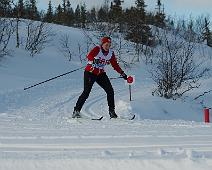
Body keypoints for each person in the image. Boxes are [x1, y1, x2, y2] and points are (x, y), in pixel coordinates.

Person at [72, 37, 128, 119]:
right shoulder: (97, 49)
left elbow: (115, 65)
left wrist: (122, 73)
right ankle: (76, 111)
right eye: (106, 44)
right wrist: (94, 60)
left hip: (100, 74)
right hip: (90, 72)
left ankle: (112, 112)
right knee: (86, 92)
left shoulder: (111, 53)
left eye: (109, 45)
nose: (107, 46)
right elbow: (89, 56)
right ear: (102, 44)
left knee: (110, 91)